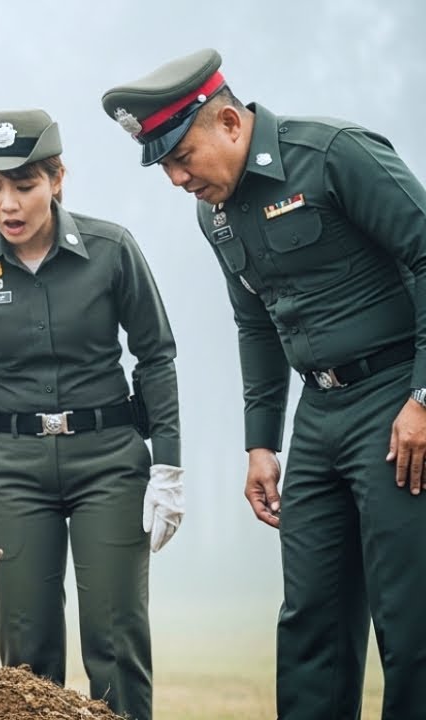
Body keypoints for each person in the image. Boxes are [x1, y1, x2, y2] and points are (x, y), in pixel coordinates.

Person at [101, 48, 426, 719]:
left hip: (396, 399)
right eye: (162, 164)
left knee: (409, 615)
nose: (175, 177)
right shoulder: (214, 212)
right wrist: (260, 444)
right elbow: (256, 326)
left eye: (181, 156)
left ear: (227, 121)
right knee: (310, 616)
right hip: (319, 414)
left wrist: (424, 397)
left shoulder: (335, 154)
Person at [0, 109, 183, 720]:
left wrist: (168, 467)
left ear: (57, 177)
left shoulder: (111, 250)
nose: (8, 205)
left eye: (24, 186)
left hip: (109, 462)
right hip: (13, 469)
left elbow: (157, 357)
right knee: (26, 655)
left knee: (115, 640)